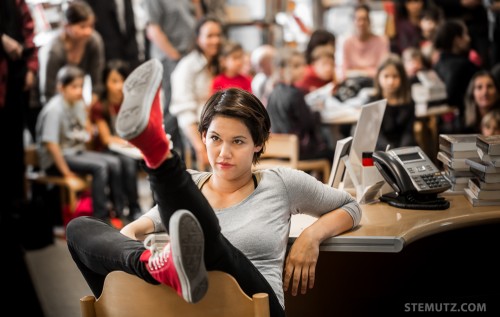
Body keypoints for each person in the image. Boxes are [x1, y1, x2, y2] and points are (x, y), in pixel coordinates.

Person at [66, 59, 362, 317]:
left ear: (258, 143)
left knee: (208, 240)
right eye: (216, 138)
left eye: (238, 142)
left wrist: (311, 236)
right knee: (79, 228)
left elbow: (351, 206)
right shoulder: (191, 185)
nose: (223, 153)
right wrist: (136, 253)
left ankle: (156, 152)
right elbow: (133, 229)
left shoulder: (281, 182)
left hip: (254, 306)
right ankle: (158, 267)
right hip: (183, 310)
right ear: (203, 136)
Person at [35, 65, 125, 224]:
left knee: (115, 162)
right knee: (100, 167)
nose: (78, 91)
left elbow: (87, 134)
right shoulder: (54, 110)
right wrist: (66, 172)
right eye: (74, 87)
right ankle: (101, 218)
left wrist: (86, 112)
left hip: (75, 152)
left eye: (81, 87)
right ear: (61, 87)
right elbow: (51, 145)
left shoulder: (77, 104)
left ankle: (118, 212)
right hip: (56, 160)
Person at [143, 0, 203, 157]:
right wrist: (175, 56)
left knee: (188, 109)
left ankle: (186, 159)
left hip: (190, 56)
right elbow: (153, 30)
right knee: (173, 109)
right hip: (171, 58)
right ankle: (166, 157)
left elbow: (199, 24)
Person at [89, 59, 144, 221]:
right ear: (105, 82)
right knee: (124, 163)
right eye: (114, 81)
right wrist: (128, 142)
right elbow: (106, 139)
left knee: (133, 161)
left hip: (126, 148)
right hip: (107, 149)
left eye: (122, 80)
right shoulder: (100, 106)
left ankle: (134, 207)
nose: (119, 86)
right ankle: (122, 208)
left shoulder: (130, 102)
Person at [169, 16, 223, 171]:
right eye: (210, 36)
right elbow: (184, 113)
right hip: (197, 135)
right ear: (198, 39)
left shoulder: (221, 63)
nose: (216, 40)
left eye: (218, 35)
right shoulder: (186, 67)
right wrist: (199, 147)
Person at [266, 48, 333, 163]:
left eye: (302, 65)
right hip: (297, 151)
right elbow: (308, 123)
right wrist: (317, 112)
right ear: (281, 70)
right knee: (332, 153)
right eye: (296, 66)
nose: (302, 70)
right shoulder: (295, 94)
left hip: (278, 151)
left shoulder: (273, 93)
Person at [40, 0, 104, 105]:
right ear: (67, 26)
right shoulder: (54, 51)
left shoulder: (94, 42)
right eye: (82, 27)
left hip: (74, 100)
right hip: (50, 103)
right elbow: (48, 94)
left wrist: (88, 107)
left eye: (91, 26)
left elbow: (97, 85)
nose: (88, 32)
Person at [433, 19, 480, 133]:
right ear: (457, 40)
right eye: (465, 35)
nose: (469, 39)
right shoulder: (465, 66)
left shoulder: (437, 65)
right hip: (468, 127)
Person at [368, 54, 417, 151]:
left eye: (395, 76)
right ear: (378, 77)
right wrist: (390, 151)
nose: (390, 81)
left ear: (402, 78)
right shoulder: (372, 102)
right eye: (386, 76)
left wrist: (402, 151)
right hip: (381, 151)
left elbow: (408, 132)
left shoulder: (409, 102)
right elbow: (376, 136)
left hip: (405, 149)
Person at [341, 4, 390, 80]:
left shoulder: (382, 41)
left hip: (374, 81)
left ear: (370, 21)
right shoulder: (347, 43)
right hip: (353, 81)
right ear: (353, 22)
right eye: (358, 19)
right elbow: (344, 72)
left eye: (364, 19)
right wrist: (369, 71)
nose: (361, 23)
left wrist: (359, 72)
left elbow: (383, 69)